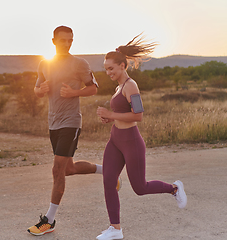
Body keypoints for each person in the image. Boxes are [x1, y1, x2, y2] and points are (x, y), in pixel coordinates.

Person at [27, 25, 121, 236]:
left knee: (57, 170)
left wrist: (73, 93)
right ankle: (107, 171)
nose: (67, 43)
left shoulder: (79, 63)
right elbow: (37, 89)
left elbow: (93, 88)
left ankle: (49, 220)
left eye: (70, 40)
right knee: (68, 169)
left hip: (71, 122)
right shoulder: (44, 64)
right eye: (63, 40)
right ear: (53, 41)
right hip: (53, 123)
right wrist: (39, 90)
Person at [95, 34, 187, 240]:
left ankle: (173, 188)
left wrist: (110, 114)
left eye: (111, 68)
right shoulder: (118, 87)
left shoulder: (130, 86)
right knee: (108, 181)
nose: (107, 72)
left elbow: (139, 116)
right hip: (115, 139)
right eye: (105, 68)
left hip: (131, 142)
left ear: (122, 65)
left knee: (140, 187)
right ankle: (115, 229)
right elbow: (122, 114)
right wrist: (110, 119)